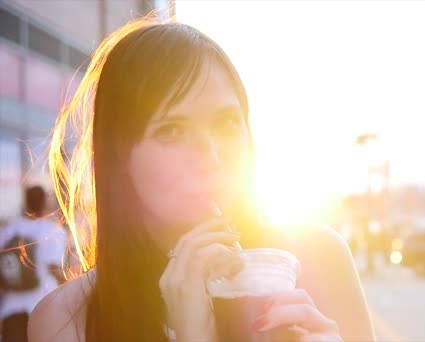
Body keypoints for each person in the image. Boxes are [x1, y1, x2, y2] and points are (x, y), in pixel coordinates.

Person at [28, 14, 375, 342]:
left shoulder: (316, 259)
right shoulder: (67, 318)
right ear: (121, 156)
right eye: (172, 131)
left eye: (226, 123)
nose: (210, 156)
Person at [0, 186, 67, 342]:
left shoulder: (9, 230)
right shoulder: (53, 231)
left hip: (12, 308)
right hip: (43, 306)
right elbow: (53, 268)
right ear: (45, 203)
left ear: (26, 202)